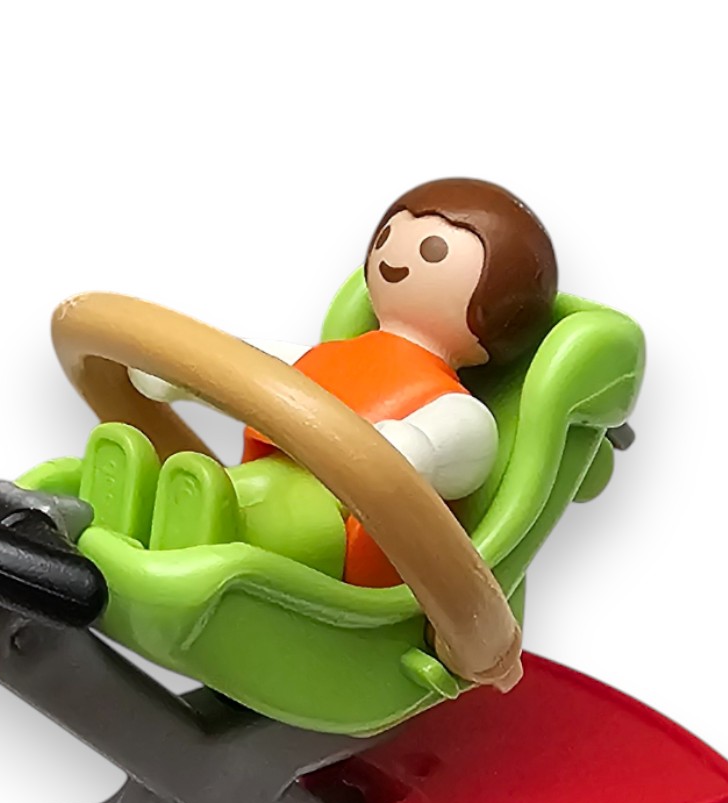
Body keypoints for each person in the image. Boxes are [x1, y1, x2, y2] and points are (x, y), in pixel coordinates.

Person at [123, 177, 558, 585]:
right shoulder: (328, 358)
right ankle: (135, 502)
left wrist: (417, 448)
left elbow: (467, 445)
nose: (396, 256)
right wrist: (188, 372)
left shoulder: (451, 404)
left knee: (236, 512)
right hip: (262, 481)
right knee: (223, 494)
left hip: (336, 533)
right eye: (388, 238)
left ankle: (183, 521)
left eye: (431, 251)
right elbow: (245, 370)